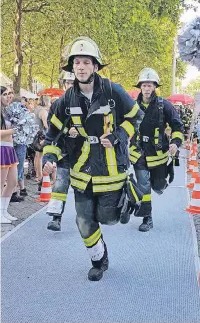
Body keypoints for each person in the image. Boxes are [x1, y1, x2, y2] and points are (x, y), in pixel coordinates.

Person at [43, 37, 143, 281]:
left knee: (109, 218)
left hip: (111, 168)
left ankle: (129, 198)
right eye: (76, 62)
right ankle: (99, 260)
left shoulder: (113, 91)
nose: (80, 66)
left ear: (95, 66)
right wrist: (49, 157)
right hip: (82, 170)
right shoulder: (66, 100)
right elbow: (52, 135)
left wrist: (120, 134)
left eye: (86, 62)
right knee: (84, 221)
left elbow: (136, 118)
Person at [129, 68, 184, 232]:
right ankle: (147, 218)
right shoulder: (132, 105)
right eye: (144, 85)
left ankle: (160, 183)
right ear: (140, 87)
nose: (146, 88)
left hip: (158, 155)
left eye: (150, 85)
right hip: (138, 152)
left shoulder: (164, 105)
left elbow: (177, 126)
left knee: (158, 186)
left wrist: (175, 142)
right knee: (143, 185)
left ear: (154, 87)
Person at [46, 71, 75, 231]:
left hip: (84, 153)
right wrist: (66, 131)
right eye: (68, 83)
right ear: (64, 84)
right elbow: (52, 127)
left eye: (73, 83)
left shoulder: (88, 102)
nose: (70, 86)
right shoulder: (57, 104)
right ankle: (56, 218)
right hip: (64, 151)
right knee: (61, 183)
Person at [0, 86, 19, 224]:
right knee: (0, 184)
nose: (8, 96)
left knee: (13, 182)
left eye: (9, 94)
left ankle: (4, 210)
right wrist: (14, 130)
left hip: (10, 149)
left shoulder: (8, 111)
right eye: (4, 94)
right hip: (1, 149)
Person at [33, 95, 51, 190]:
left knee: (37, 156)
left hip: (36, 134)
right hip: (41, 136)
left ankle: (37, 175)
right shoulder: (43, 111)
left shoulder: (37, 109)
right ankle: (40, 176)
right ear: (47, 102)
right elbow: (46, 125)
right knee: (40, 157)